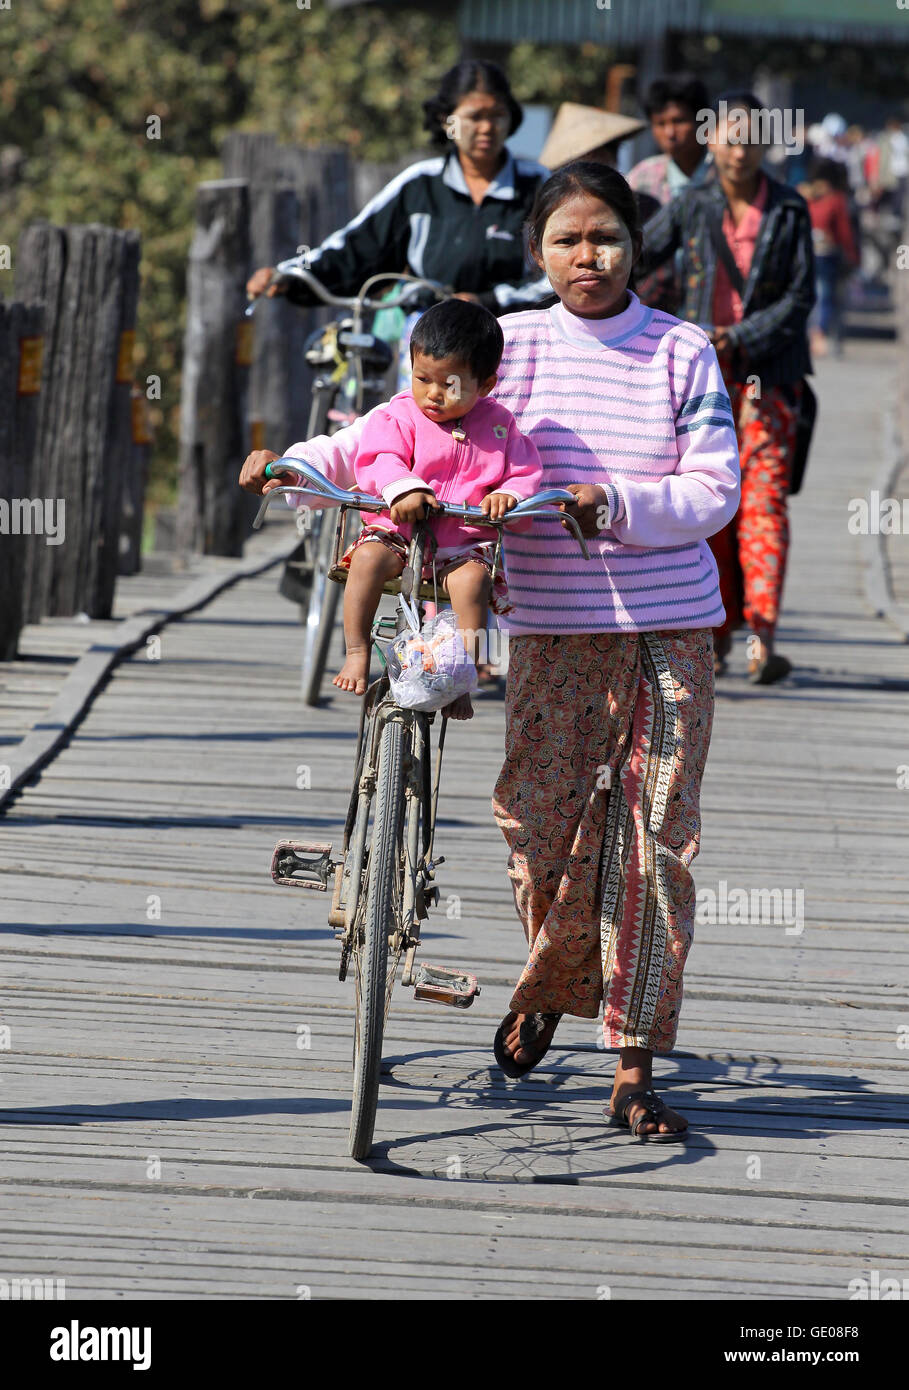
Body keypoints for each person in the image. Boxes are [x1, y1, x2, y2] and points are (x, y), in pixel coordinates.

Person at [241, 161, 740, 1140]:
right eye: (566, 239)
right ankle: (549, 980)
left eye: (604, 237)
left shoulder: (683, 351)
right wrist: (294, 466)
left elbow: (716, 484)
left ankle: (633, 1061)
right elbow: (388, 436)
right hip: (552, 629)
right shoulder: (505, 349)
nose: (586, 256)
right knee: (534, 823)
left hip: (671, 626)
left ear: (636, 242)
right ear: (537, 249)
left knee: (655, 840)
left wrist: (622, 504)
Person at [638, 90, 816, 683]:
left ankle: (761, 635)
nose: (739, 151)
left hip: (768, 379)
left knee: (763, 505)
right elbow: (640, 255)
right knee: (704, 500)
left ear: (767, 143)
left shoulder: (790, 209)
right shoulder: (692, 204)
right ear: (710, 140)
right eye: (728, 138)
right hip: (700, 379)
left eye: (751, 139)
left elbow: (799, 299)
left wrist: (736, 337)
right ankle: (711, 635)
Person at [333, 299, 543, 716]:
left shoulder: (500, 425)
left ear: (484, 384)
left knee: (471, 585)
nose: (433, 393)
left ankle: (460, 678)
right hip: (397, 533)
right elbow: (379, 458)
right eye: (421, 377)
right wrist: (404, 488)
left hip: (462, 543)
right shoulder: (399, 416)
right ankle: (356, 650)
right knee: (368, 559)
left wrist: (509, 495)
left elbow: (524, 470)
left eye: (450, 384)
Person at [245, 59, 551, 318]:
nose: (487, 127)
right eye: (474, 117)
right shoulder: (419, 185)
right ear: (447, 122)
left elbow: (561, 272)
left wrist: (489, 301)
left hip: (511, 343)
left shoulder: (541, 186)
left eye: (497, 115)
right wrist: (289, 274)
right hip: (429, 350)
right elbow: (355, 247)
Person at [628, 73, 712, 315]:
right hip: (656, 306)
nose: (670, 132)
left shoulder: (724, 177)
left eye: (679, 121)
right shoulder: (642, 177)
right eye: (660, 123)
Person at [803, 159, 859, 357]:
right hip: (822, 254)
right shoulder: (833, 200)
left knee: (819, 295)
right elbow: (844, 232)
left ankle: (817, 332)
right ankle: (819, 332)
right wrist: (852, 255)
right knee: (824, 295)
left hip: (817, 254)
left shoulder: (814, 199)